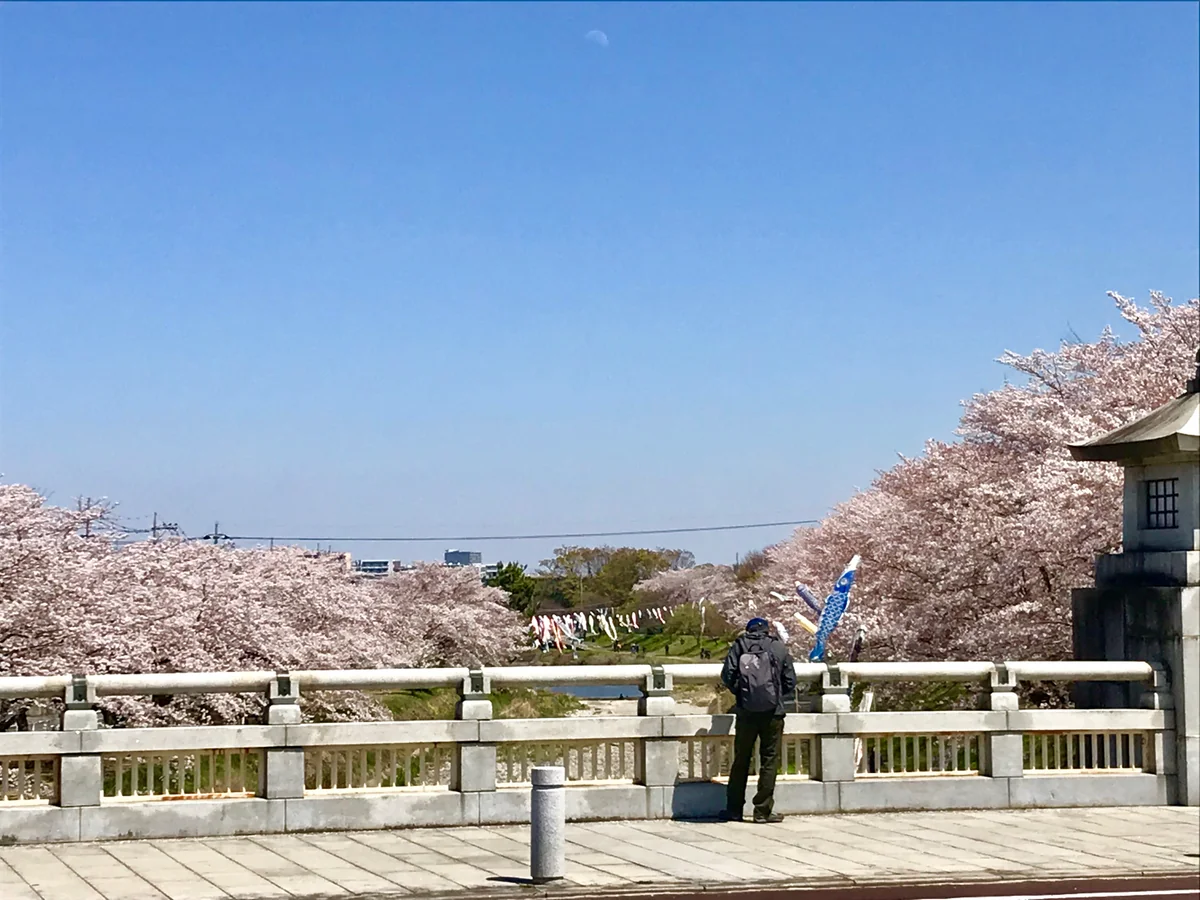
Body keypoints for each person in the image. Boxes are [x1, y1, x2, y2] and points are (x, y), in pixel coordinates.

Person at [719, 617, 797, 823]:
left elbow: (727, 675)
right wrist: (775, 696)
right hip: (773, 713)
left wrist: (742, 694)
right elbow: (790, 680)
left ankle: (734, 809)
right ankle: (762, 811)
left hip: (746, 712)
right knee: (769, 760)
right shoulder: (778, 647)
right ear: (767, 630)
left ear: (748, 630)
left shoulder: (740, 645)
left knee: (741, 759)